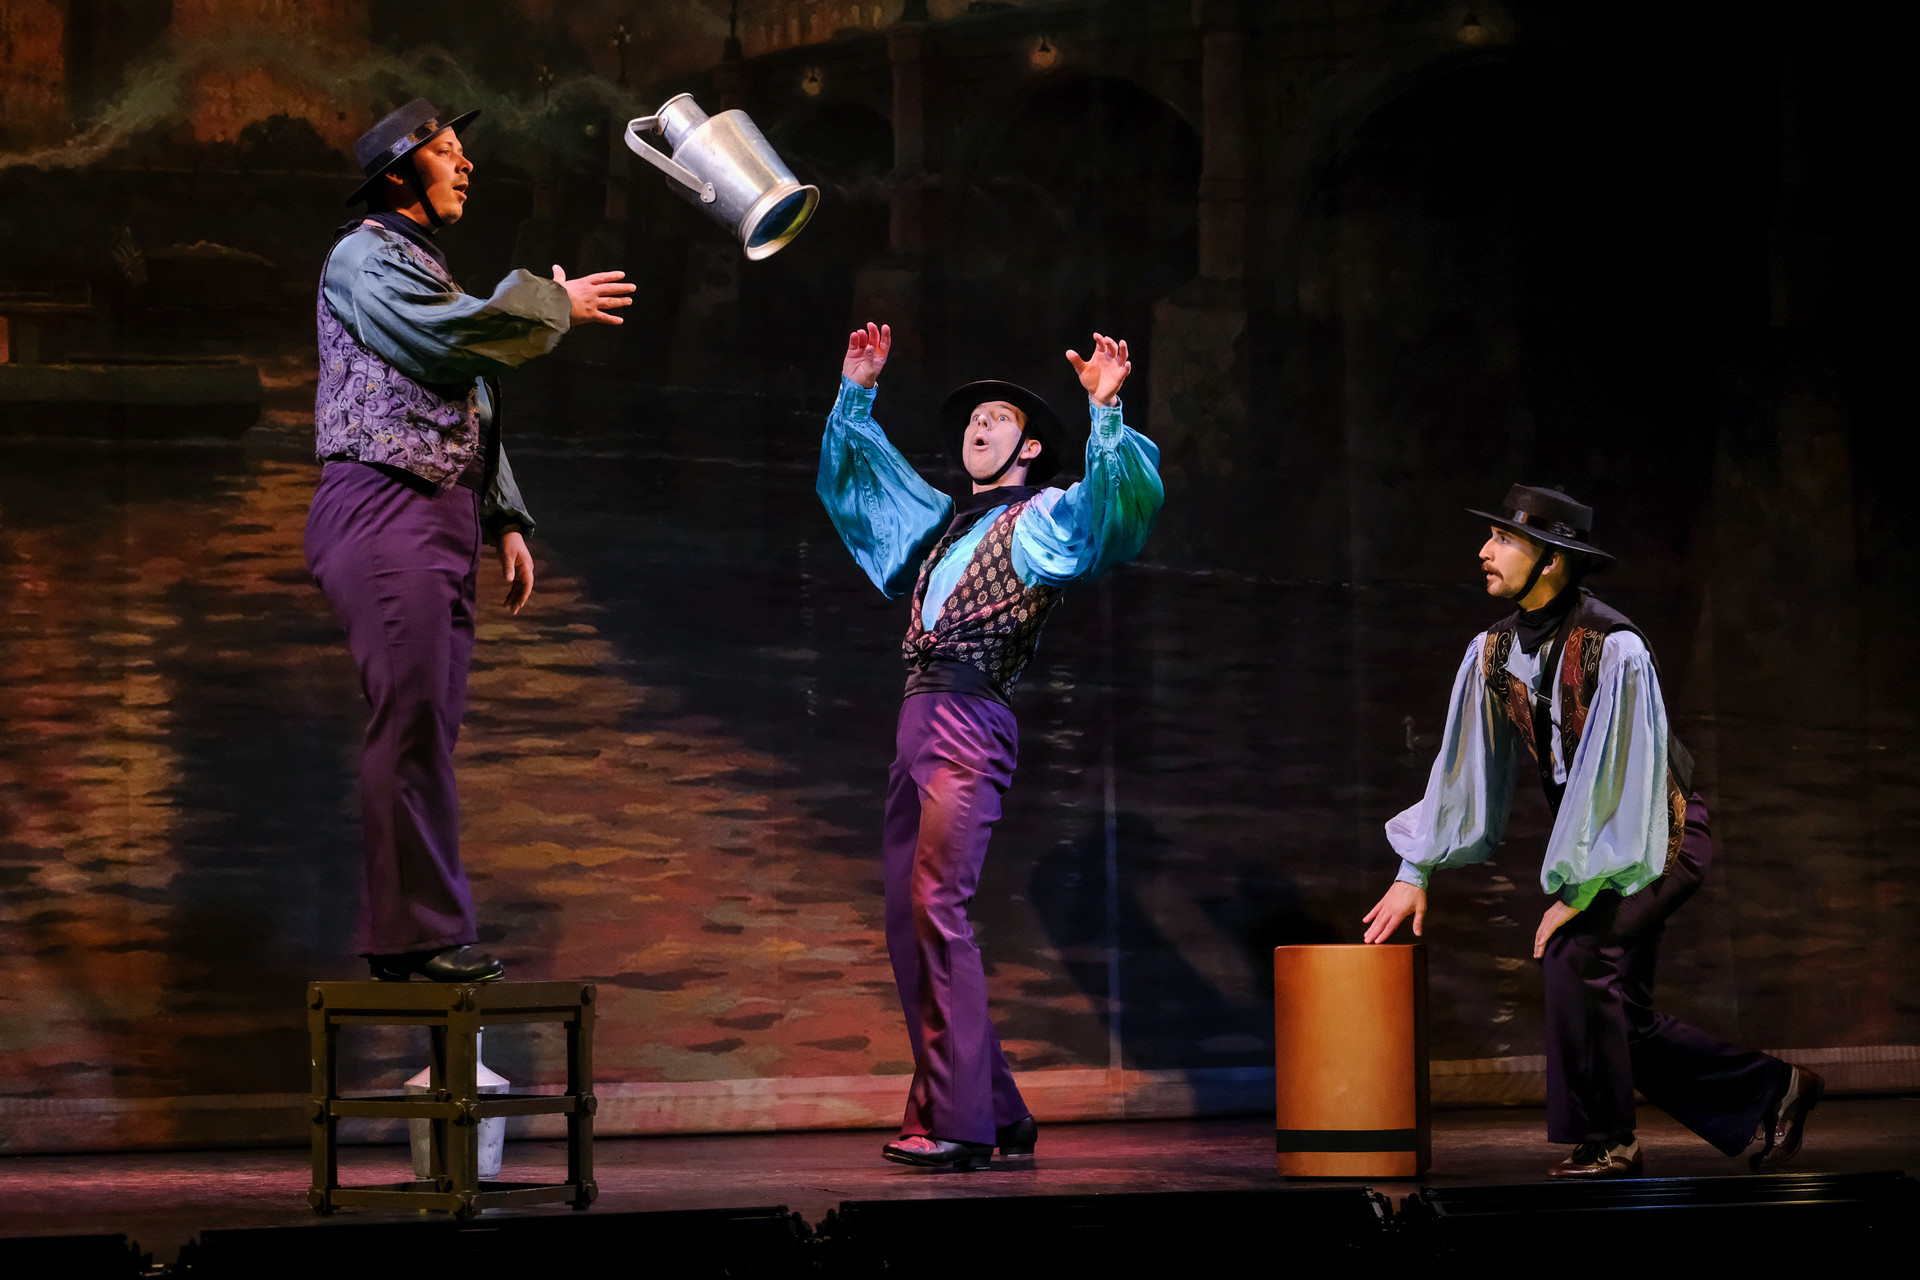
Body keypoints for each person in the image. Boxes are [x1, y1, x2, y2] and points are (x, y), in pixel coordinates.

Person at [1362, 484, 1822, 1178]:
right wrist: (1414, 870)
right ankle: (1774, 1090)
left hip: (1659, 835)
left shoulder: (1616, 649)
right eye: (1492, 537)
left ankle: (1610, 1140)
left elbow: (1626, 788)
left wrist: (1579, 893)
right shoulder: (1492, 653)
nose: (1485, 551)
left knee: (1576, 956)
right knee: (1615, 1015)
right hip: (1604, 843)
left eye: (1505, 541)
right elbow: (1464, 770)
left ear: (1551, 560)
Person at [818, 323, 1164, 1169]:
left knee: (938, 907)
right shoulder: (945, 527)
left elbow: (1110, 514)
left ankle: (956, 1123)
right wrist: (857, 393)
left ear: (1029, 446)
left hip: (968, 721)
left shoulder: (1041, 518)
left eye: (997, 418)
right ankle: (998, 1109)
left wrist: (1106, 415)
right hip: (917, 720)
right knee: (907, 920)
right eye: (973, 420)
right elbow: (860, 485)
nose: (978, 426)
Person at [304, 98, 634, 982]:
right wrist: (552, 304)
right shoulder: (364, 256)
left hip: (435, 512)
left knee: (429, 726)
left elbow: (468, 397)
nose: (466, 163)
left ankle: (408, 935)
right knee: (410, 720)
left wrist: (503, 518)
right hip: (384, 507)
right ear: (400, 173)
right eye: (447, 151)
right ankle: (416, 935)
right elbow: (450, 344)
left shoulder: (423, 264)